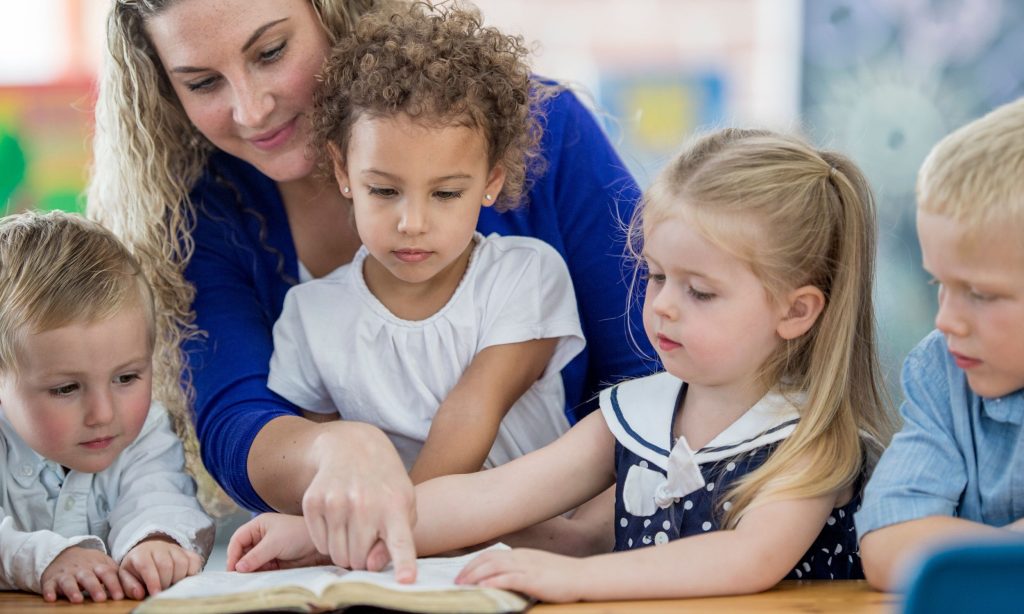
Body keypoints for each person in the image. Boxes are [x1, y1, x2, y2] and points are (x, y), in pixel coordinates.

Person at [88, 0, 650, 579]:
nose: (252, 111)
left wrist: (588, 528)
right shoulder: (205, 214)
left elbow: (655, 371)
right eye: (203, 82)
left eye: (272, 52)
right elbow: (238, 420)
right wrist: (331, 455)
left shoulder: (536, 137)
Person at [226, 128, 897, 601]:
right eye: (657, 276)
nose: (661, 307)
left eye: (700, 291)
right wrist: (329, 534)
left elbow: (748, 559)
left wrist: (575, 580)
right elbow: (488, 496)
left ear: (797, 311)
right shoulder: (636, 415)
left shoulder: (811, 440)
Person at [269, 4, 583, 484]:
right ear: (342, 171)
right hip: (400, 552)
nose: (412, 223)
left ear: (490, 182)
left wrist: (391, 521)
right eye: (385, 191)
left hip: (535, 541)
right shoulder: (310, 316)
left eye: (446, 194)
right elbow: (328, 469)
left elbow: (470, 414)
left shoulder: (525, 277)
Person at [0, 211, 214, 603]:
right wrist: (43, 558)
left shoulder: (145, 430)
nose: (103, 414)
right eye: (66, 388)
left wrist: (155, 542)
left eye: (127, 378)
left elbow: (161, 495)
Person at [856, 97, 1024, 591]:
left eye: (980, 293)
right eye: (938, 285)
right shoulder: (944, 371)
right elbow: (887, 543)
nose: (945, 319)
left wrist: (966, 555)